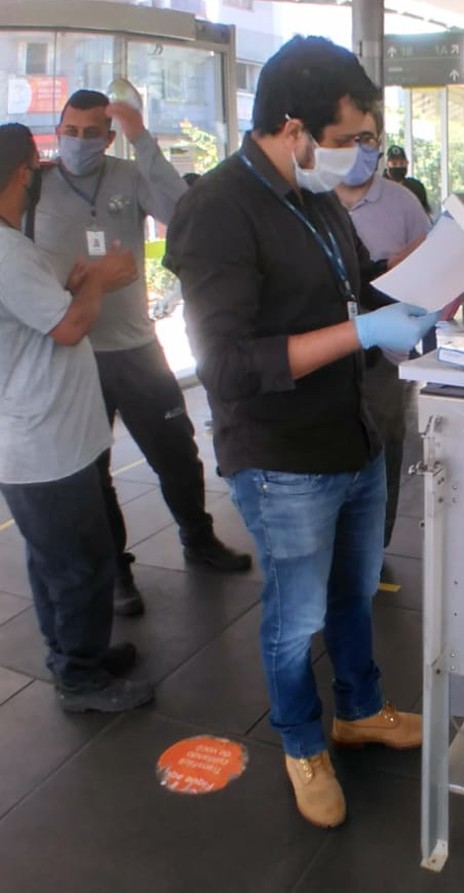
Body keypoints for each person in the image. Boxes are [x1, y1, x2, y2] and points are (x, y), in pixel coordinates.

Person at [163, 36, 440, 829]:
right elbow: (227, 364)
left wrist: (433, 273)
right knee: (295, 618)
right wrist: (362, 334)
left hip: (351, 432)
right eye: (352, 138)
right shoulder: (218, 210)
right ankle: (301, 741)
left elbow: (358, 283)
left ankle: (360, 708)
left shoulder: (313, 196)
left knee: (354, 593)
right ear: (296, 127)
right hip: (283, 457)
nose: (362, 155)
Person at [33, 89, 251, 619]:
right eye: (71, 130)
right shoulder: (34, 185)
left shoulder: (128, 176)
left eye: (92, 133)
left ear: (109, 138)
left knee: (176, 451)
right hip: (74, 348)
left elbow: (183, 212)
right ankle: (117, 572)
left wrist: (141, 137)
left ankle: (198, 539)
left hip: (135, 345)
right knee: (92, 468)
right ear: (58, 130)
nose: (79, 141)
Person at [0, 123, 154, 713]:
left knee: (57, 561)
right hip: (43, 447)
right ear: (23, 172)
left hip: (52, 438)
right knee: (78, 565)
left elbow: (38, 311)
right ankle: (79, 677)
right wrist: (101, 282)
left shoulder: (15, 247)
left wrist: (74, 285)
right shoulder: (9, 252)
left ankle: (78, 651)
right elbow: (66, 328)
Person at [335, 106, 431, 547]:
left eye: (367, 139)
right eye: (345, 140)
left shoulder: (402, 203)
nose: (358, 150)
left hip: (383, 356)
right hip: (326, 353)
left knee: (385, 443)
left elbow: (432, 268)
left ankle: (378, 540)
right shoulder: (310, 201)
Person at [382, 145, 431, 215]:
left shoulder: (416, 188)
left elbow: (425, 215)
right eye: (394, 163)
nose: (398, 166)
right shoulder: (378, 188)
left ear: (407, 163)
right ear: (387, 164)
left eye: (402, 163)